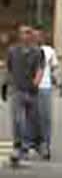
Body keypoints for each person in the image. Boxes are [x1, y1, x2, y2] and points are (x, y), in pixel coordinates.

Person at [3, 25, 43, 167]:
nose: (25, 36)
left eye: (28, 33)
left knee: (33, 120)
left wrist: (36, 82)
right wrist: (5, 85)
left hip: (31, 91)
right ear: (19, 36)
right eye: (23, 33)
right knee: (18, 120)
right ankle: (19, 147)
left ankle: (35, 143)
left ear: (31, 36)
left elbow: (39, 69)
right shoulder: (13, 51)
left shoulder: (37, 52)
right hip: (18, 90)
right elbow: (8, 68)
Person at [33, 28, 62, 160]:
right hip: (30, 88)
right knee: (30, 119)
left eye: (39, 35)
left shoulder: (49, 51)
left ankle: (45, 145)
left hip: (45, 87)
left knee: (45, 118)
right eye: (35, 35)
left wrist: (58, 83)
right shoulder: (27, 51)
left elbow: (54, 69)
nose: (37, 38)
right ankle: (31, 144)